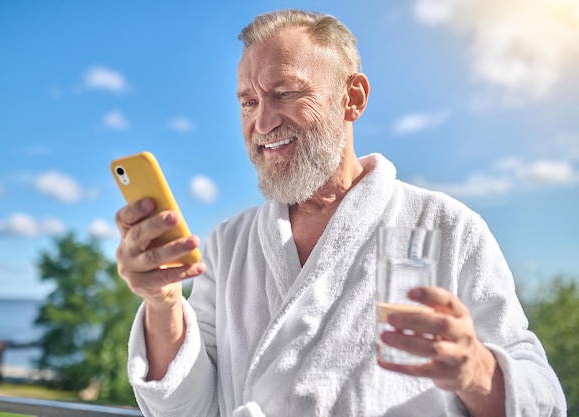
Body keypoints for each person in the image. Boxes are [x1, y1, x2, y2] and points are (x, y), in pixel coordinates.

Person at [114, 9, 566, 417]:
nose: (263, 122)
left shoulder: (447, 228)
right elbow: (185, 409)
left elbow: (544, 401)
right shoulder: (229, 244)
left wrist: (475, 368)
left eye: (285, 92)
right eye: (248, 102)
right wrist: (164, 303)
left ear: (353, 97)